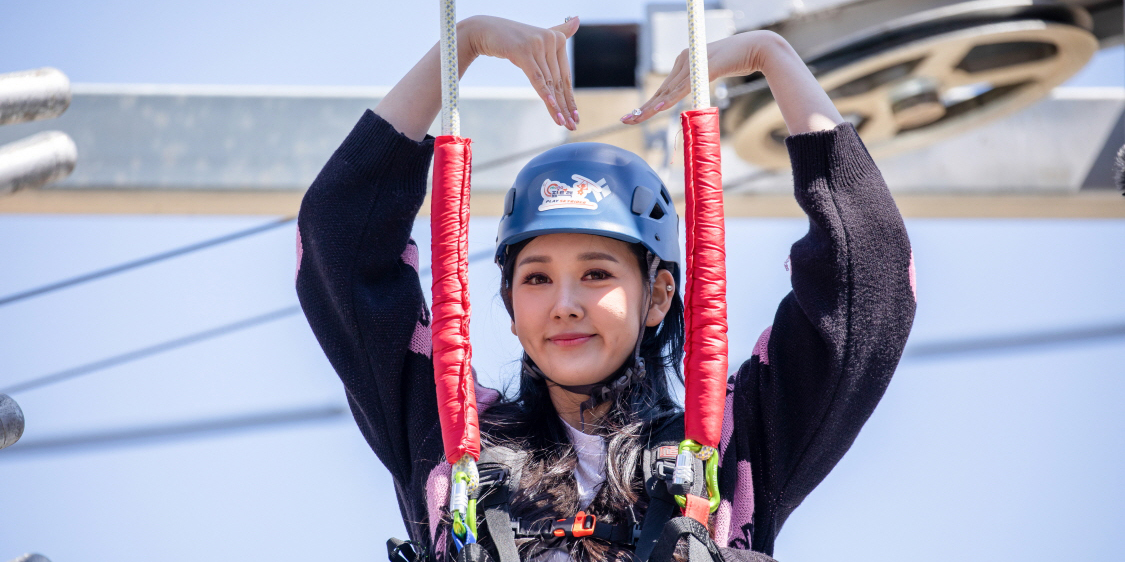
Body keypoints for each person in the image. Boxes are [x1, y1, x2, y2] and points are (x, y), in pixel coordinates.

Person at [295, 14, 916, 562]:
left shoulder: (729, 452)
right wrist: (465, 44)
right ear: (510, 308)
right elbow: (338, 244)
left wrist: (771, 57)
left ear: (659, 296)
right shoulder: (451, 444)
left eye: (597, 273)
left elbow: (868, 276)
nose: (565, 303)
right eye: (536, 278)